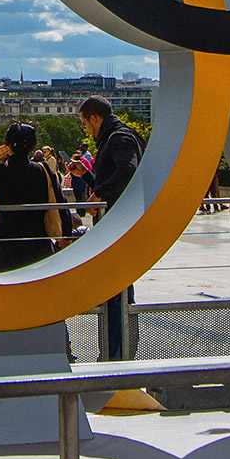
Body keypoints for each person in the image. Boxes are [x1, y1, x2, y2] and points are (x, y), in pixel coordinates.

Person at [80, 96, 142, 358]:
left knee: (116, 295)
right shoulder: (122, 136)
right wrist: (86, 177)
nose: (86, 129)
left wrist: (98, 194)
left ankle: (116, 353)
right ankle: (117, 351)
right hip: (119, 223)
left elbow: (127, 173)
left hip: (118, 226)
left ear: (95, 118)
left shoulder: (118, 138)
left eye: (85, 123)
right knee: (118, 293)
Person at [0, 124, 56, 274]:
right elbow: (59, 199)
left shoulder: (1, 173)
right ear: (32, 147)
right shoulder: (42, 171)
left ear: (7, 146)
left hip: (6, 241)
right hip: (37, 239)